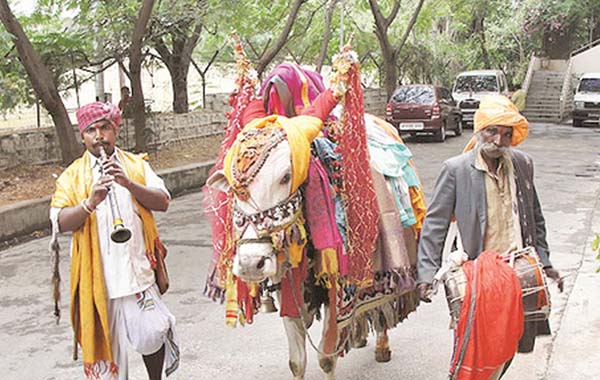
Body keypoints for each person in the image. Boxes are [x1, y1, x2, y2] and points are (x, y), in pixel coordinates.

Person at [416, 95, 563, 379]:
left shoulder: (522, 164)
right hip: (477, 276)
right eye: (492, 131)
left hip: (516, 271)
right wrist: (426, 274)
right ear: (479, 129)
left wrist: (544, 262)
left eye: (507, 134)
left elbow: (536, 217)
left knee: (508, 345)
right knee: (475, 349)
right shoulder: (456, 170)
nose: (499, 140)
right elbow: (435, 225)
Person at [50, 102, 179, 380]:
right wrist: (89, 203)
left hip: (136, 276)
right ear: (82, 136)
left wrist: (129, 184)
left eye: (104, 128)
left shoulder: (135, 165)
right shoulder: (72, 176)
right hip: (99, 282)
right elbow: (59, 222)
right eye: (91, 130)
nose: (98, 136)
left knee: (152, 334)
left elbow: (164, 201)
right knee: (108, 364)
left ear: (115, 131)